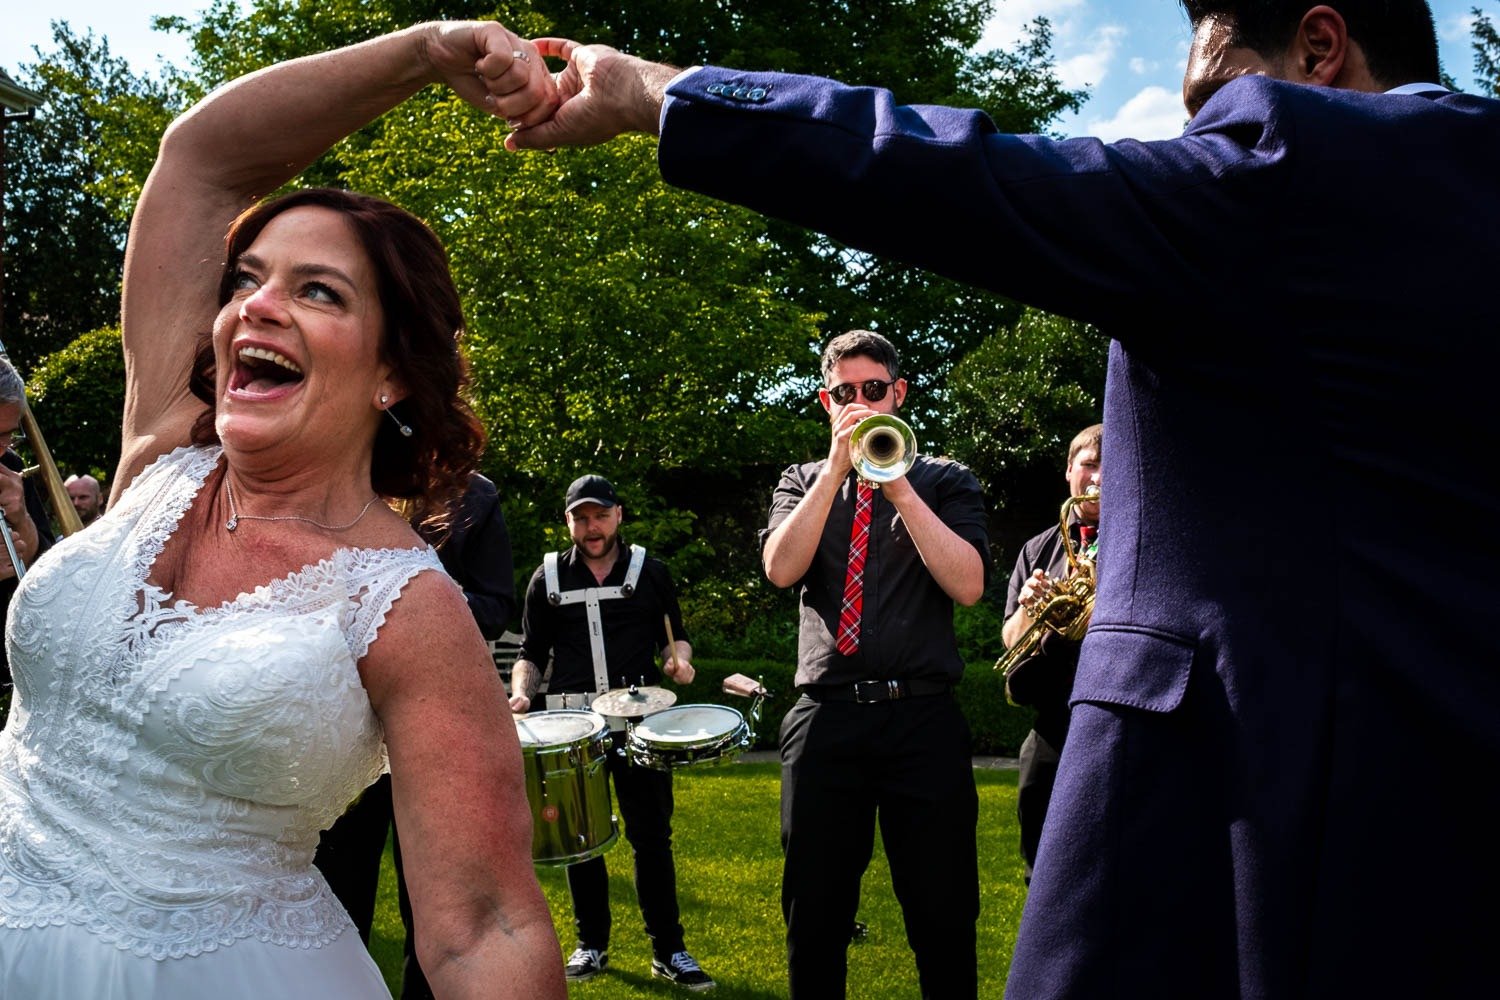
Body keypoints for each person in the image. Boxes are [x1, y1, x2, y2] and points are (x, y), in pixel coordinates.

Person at [501, 1, 1500, 994]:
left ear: (1320, 50)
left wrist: (658, 93)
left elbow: (964, 171)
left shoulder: (1294, 163)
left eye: (1212, 102)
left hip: (1241, 791)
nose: (1193, 139)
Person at [0, 22, 566, 999]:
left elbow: (485, 928)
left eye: (316, 290)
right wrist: (424, 53)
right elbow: (201, 161)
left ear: (392, 372)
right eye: (248, 279)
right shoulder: (158, 457)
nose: (256, 306)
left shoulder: (405, 605)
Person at [758, 330, 990, 998]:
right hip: (826, 719)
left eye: (873, 390)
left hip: (923, 719)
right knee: (815, 912)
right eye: (844, 393)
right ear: (826, 402)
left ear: (899, 393)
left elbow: (970, 585)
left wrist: (897, 488)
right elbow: (780, 569)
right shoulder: (801, 480)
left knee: (944, 912)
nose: (859, 403)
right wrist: (836, 472)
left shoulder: (946, 480)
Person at [314, 471, 517, 999]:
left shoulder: (476, 496)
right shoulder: (336, 479)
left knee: (434, 908)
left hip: (435, 724)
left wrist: (411, 605)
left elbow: (497, 606)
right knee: (335, 895)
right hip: (342, 725)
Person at [509, 474, 715, 992]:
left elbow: (678, 638)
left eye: (599, 515)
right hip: (575, 725)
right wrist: (520, 693)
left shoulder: (650, 572)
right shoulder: (547, 578)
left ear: (618, 515)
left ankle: (670, 950)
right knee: (583, 839)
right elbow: (531, 653)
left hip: (639, 720)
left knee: (652, 837)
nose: (591, 526)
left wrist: (677, 662)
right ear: (568, 521)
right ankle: (591, 945)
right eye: (581, 517)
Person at [999, 423, 1100, 885]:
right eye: (1090, 464)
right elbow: (1010, 639)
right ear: (1069, 472)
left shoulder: (1140, 539)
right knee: (1039, 856)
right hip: (1052, 721)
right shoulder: (1039, 547)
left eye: (1111, 467)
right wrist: (1030, 609)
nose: (1098, 478)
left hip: (1109, 711)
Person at [0, 360, 55, 720]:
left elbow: (48, 563)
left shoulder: (12, 463)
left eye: (7, 434)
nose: (0, 448)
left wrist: (21, 518)